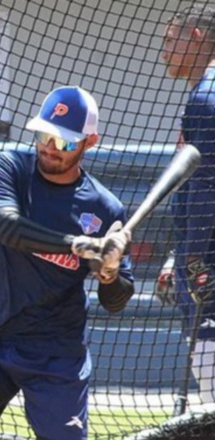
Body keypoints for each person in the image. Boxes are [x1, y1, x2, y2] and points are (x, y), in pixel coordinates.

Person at [0, 86, 135, 440]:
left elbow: (116, 301)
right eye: (44, 135)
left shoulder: (106, 208)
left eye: (65, 142)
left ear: (90, 142)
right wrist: (81, 245)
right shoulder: (9, 168)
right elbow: (7, 227)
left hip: (57, 353)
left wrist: (110, 272)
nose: (50, 147)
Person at [157, 3, 215, 405]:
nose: (164, 50)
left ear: (195, 37)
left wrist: (191, 264)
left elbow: (206, 191)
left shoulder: (206, 96)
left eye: (170, 39)